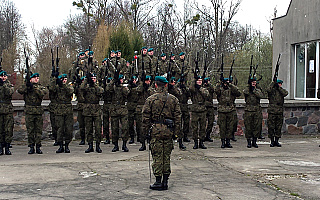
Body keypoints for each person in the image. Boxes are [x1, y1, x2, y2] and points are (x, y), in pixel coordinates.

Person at [142, 76, 181, 191]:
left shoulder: (150, 99)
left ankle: (158, 181)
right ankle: (165, 181)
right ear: (165, 85)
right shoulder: (173, 99)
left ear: (155, 85)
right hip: (168, 131)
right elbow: (178, 118)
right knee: (166, 156)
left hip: (156, 130)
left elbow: (145, 118)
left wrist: (145, 133)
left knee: (157, 156)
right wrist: (176, 133)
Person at [18, 73, 48, 154]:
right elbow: (20, 91)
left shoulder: (40, 87)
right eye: (34, 78)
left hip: (38, 110)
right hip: (29, 111)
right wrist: (27, 85)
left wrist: (34, 88)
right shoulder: (27, 86)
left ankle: (38, 146)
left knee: (38, 130)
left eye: (37, 78)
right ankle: (31, 146)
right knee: (30, 130)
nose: (36, 79)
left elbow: (42, 93)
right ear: (31, 79)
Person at [49, 74, 74, 153]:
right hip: (59, 110)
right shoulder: (56, 88)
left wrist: (63, 85)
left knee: (68, 129)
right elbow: (51, 89)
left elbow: (70, 91)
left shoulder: (68, 86)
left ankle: (67, 145)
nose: (64, 81)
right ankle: (60, 145)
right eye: (62, 79)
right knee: (59, 128)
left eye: (65, 79)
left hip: (67, 110)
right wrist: (54, 80)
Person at [105, 74, 130, 152]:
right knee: (114, 128)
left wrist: (121, 85)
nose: (122, 80)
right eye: (121, 79)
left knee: (125, 128)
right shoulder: (113, 87)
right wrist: (113, 81)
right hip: (114, 109)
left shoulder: (123, 87)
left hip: (122, 109)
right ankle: (115, 145)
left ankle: (124, 144)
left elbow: (127, 92)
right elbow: (107, 89)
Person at [215, 78, 241, 148]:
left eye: (227, 83)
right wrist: (220, 83)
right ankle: (223, 142)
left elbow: (238, 93)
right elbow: (216, 91)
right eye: (225, 83)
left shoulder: (231, 89)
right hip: (222, 110)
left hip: (230, 110)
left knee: (230, 127)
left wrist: (230, 84)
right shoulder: (220, 89)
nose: (226, 84)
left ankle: (228, 141)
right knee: (222, 127)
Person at [81, 73, 104, 153]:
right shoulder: (86, 87)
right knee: (89, 129)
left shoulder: (97, 87)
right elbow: (81, 89)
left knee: (98, 129)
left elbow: (100, 92)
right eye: (92, 78)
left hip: (96, 110)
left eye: (94, 78)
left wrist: (94, 84)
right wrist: (86, 80)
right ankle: (90, 145)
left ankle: (98, 145)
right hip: (88, 110)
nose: (93, 80)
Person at [266, 79, 288, 147]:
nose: (279, 85)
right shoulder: (272, 91)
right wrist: (273, 83)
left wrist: (279, 88)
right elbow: (268, 90)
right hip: (272, 111)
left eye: (280, 84)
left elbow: (285, 93)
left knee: (278, 127)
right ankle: (272, 141)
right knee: (271, 127)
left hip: (279, 111)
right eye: (278, 83)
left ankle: (277, 140)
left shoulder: (281, 91)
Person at [189, 76, 209, 149]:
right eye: (198, 80)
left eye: (201, 80)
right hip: (195, 110)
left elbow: (206, 94)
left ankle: (201, 142)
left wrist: (199, 88)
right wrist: (194, 81)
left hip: (202, 110)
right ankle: (195, 142)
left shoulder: (203, 89)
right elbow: (190, 88)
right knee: (194, 128)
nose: (199, 82)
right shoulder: (193, 89)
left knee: (202, 127)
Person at [243, 78, 264, 148]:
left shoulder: (258, 89)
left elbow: (261, 95)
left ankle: (254, 141)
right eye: (252, 82)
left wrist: (254, 89)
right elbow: (245, 92)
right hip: (248, 110)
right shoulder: (247, 89)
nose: (254, 83)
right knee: (248, 127)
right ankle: (249, 141)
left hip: (256, 110)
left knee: (256, 126)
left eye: (255, 82)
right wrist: (250, 87)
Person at [168, 77, 186, 150]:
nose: (173, 83)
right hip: (168, 109)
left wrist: (174, 86)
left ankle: (180, 142)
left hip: (176, 108)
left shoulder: (176, 88)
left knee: (178, 125)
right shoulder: (166, 88)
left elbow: (179, 93)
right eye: (172, 82)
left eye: (174, 82)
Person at [0, 71, 14, 155]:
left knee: (8, 130)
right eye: (1, 76)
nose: (3, 77)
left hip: (7, 109)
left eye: (4, 76)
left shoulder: (9, 85)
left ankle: (7, 147)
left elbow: (9, 93)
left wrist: (3, 85)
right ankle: (0, 147)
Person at [203, 77, 215, 142]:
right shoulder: (202, 87)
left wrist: (209, 84)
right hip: (204, 106)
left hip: (210, 106)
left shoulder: (210, 87)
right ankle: (203, 135)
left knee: (211, 122)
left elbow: (213, 90)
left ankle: (208, 135)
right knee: (203, 122)